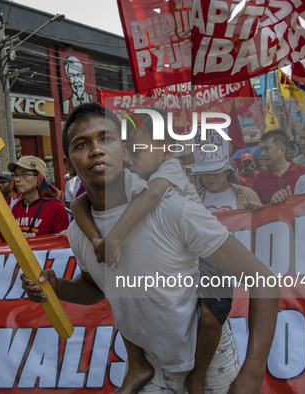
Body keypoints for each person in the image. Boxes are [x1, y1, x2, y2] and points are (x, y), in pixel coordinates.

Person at [22, 103, 278, 393]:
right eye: (82, 144)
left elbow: (263, 280)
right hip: (151, 372)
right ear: (68, 165)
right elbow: (98, 287)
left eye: (106, 139)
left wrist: (252, 375)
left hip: (212, 371)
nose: (96, 150)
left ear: (124, 149)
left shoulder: (172, 208)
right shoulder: (78, 231)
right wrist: (60, 288)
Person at [70, 109, 241, 393]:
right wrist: (96, 239)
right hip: (176, 261)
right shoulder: (130, 175)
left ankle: (197, 378)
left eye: (137, 149)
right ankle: (137, 365)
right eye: (126, 149)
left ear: (164, 150)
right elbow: (78, 205)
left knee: (211, 319)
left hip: (205, 257)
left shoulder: (168, 169)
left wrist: (113, 238)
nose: (128, 157)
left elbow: (151, 197)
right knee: (127, 292)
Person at [8, 156, 69, 238]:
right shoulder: (16, 207)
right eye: (16, 175)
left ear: (39, 178)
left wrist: (36, 241)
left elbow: (63, 244)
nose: (17, 179)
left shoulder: (56, 207)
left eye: (24, 174)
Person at [252, 129, 305, 204]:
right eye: (261, 149)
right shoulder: (258, 179)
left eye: (267, 149)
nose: (263, 154)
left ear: (282, 149)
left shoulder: (303, 171)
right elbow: (258, 208)